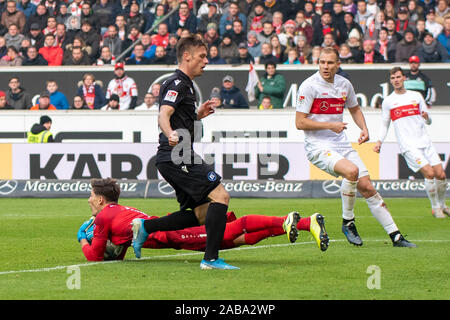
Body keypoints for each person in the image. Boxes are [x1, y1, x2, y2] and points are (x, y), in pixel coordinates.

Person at [131, 35, 240, 270]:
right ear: (187, 56)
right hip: (176, 155)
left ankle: (145, 227)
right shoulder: (177, 83)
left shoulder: (186, 85)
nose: (206, 61)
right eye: (202, 56)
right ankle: (210, 260)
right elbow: (163, 114)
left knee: (201, 213)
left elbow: (179, 116)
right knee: (221, 196)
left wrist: (197, 115)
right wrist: (170, 133)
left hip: (176, 155)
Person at [295, 47, 416, 248]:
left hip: (340, 144)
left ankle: (396, 236)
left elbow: (355, 108)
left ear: (337, 65)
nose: (326, 66)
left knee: (367, 186)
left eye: (330, 63)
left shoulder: (344, 85)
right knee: (352, 171)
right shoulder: (309, 86)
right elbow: (300, 123)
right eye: (322, 62)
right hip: (317, 146)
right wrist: (330, 125)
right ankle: (348, 222)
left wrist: (364, 128)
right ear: (318, 63)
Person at [78, 178, 329, 261]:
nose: (88, 199)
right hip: (171, 234)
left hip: (173, 235)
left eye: (90, 195)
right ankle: (306, 223)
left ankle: (289, 219)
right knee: (235, 240)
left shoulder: (104, 217)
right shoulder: (118, 212)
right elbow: (117, 253)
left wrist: (82, 239)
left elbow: (96, 256)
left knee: (230, 232)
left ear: (100, 200)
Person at [374, 67, 449, 219]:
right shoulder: (388, 101)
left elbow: (428, 120)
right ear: (391, 80)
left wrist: (427, 118)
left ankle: (443, 205)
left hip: (425, 142)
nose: (396, 80)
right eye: (393, 78)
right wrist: (379, 141)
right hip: (408, 145)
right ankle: (435, 208)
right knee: (429, 173)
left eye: (398, 77)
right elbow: (385, 124)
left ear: (404, 78)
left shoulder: (416, 96)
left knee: (441, 175)